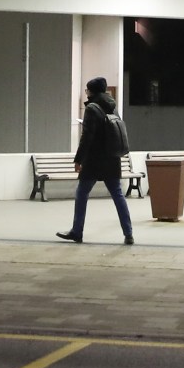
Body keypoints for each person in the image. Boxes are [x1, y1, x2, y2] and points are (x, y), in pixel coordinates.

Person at [56, 77, 134, 245]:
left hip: (94, 160)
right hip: (112, 159)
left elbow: (87, 137)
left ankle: (77, 231)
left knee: (82, 193)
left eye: (87, 90)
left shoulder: (92, 108)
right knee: (118, 195)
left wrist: (78, 160)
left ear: (91, 91)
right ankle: (128, 233)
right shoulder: (113, 107)